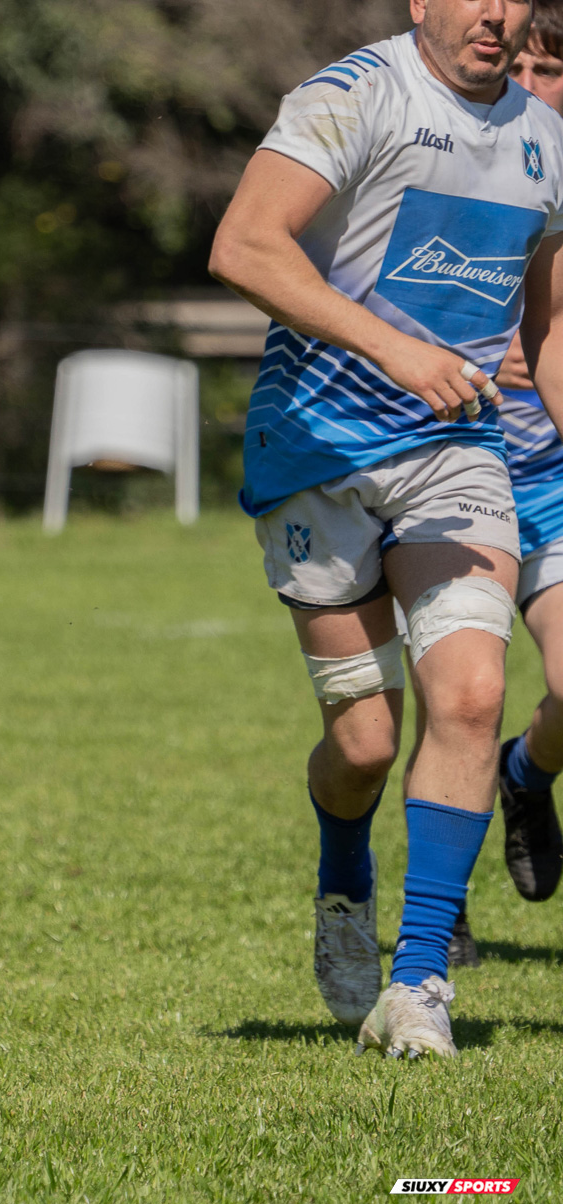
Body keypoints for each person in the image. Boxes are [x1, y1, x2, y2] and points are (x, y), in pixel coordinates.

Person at [210, 0, 563, 1058]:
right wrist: (394, 348)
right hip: (317, 451)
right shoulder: (355, 95)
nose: (496, 12)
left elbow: (549, 326)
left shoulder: (547, 141)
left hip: (458, 451)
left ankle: (418, 985)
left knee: (473, 694)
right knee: (363, 744)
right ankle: (342, 879)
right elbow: (243, 246)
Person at [494, 2, 563, 908]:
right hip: (446, 467)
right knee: (454, 700)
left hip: (549, 478)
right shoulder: (445, 154)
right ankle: (440, 910)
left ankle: (525, 771)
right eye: (520, 66)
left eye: (549, 70)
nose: (531, 84)